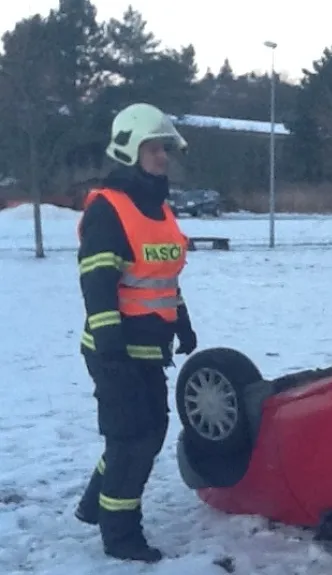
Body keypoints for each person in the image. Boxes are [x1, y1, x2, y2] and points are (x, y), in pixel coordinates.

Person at [72, 102, 197, 563]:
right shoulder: (109, 208)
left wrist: (181, 320)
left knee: (146, 431)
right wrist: (110, 351)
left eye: (165, 147)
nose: (163, 156)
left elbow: (162, 275)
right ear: (129, 150)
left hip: (150, 346)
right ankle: (120, 534)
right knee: (134, 440)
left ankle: (94, 504)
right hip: (117, 348)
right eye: (154, 147)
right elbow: (97, 284)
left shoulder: (159, 207)